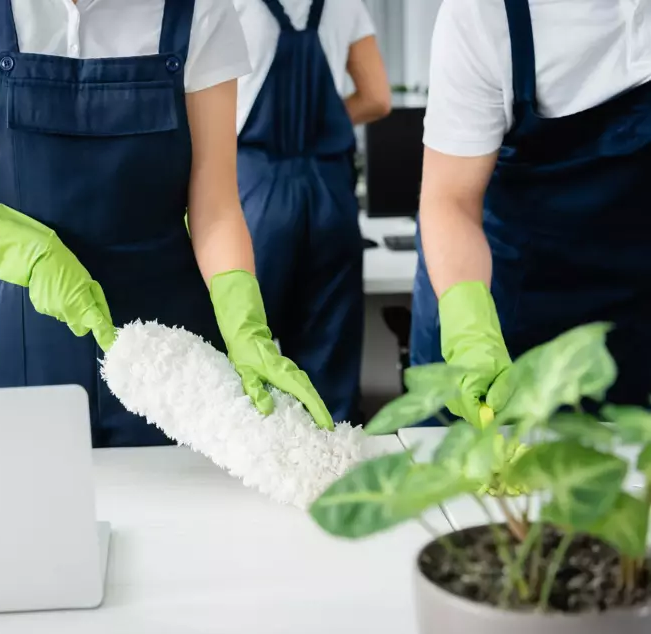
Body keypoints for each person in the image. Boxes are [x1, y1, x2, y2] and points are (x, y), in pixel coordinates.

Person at [0, 0, 335, 448]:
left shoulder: (201, 10)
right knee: (15, 505)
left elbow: (215, 205)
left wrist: (244, 323)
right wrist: (26, 253)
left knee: (175, 511)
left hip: (166, 345)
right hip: (18, 323)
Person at [411, 0, 651, 425]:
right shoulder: (483, 14)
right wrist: (471, 333)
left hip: (629, 320)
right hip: (504, 307)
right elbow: (450, 198)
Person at [232, 0, 390, 424]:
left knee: (245, 352)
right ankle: (331, 475)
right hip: (331, 198)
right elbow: (377, 98)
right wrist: (326, 123)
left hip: (254, 191)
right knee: (329, 368)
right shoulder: (345, 4)